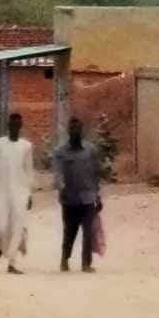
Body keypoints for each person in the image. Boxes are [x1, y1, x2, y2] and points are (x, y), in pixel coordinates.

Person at [0, 113, 34, 275]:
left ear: (20, 126)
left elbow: (29, 171)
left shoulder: (26, 146)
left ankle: (11, 262)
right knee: (2, 226)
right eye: (11, 124)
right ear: (8, 125)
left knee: (17, 226)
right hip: (2, 192)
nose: (14, 126)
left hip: (20, 192)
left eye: (17, 124)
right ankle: (1, 249)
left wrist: (29, 194)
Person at [53, 117, 102, 274]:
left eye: (77, 129)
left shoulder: (90, 150)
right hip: (69, 199)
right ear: (68, 131)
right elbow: (58, 172)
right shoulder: (60, 152)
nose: (75, 131)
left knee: (88, 232)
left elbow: (96, 173)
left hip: (87, 197)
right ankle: (64, 259)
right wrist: (60, 186)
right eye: (72, 129)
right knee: (70, 231)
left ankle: (86, 264)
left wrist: (98, 196)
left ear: (81, 130)